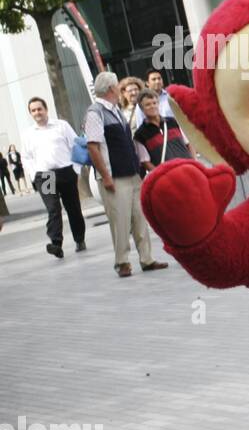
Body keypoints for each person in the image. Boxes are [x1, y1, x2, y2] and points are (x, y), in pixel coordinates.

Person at [84, 71, 168, 278]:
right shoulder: (95, 113)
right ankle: (122, 263)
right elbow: (93, 147)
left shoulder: (115, 110)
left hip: (131, 173)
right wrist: (106, 176)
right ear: (112, 89)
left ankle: (146, 259)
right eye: (117, 87)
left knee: (139, 218)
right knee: (120, 221)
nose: (120, 90)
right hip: (114, 177)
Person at [20, 97, 86, 259]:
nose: (37, 113)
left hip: (65, 172)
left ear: (46, 109)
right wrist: (34, 175)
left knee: (73, 208)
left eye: (39, 109)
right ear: (30, 113)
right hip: (45, 176)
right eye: (33, 110)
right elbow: (26, 157)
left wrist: (75, 170)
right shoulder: (28, 134)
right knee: (53, 209)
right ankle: (56, 244)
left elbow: (76, 146)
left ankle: (79, 239)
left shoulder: (61, 126)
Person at [133, 90, 192, 170]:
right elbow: (145, 162)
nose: (153, 106)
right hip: (168, 175)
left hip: (189, 168)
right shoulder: (140, 135)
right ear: (142, 108)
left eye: (154, 103)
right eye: (148, 105)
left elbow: (188, 144)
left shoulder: (173, 122)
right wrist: (161, 176)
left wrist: (194, 162)